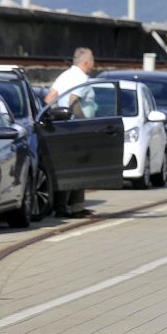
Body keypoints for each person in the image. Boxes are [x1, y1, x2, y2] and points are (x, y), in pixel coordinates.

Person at [45, 47, 96, 218]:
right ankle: (76, 207)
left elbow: (49, 98)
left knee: (66, 168)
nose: (93, 65)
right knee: (80, 167)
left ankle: (62, 206)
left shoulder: (65, 76)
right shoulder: (82, 78)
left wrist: (55, 117)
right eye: (92, 61)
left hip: (61, 127)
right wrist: (76, 121)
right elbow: (73, 101)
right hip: (77, 128)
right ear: (86, 62)